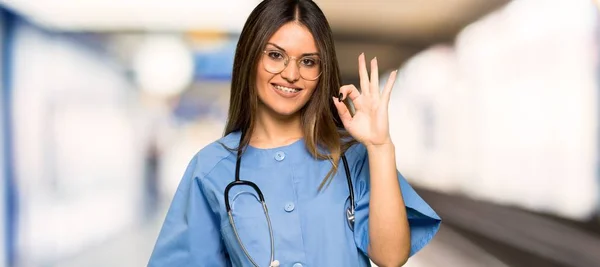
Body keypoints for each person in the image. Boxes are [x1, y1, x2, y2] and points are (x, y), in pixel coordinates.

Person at [147, 0, 440, 266]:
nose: (291, 74)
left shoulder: (353, 157)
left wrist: (380, 146)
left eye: (308, 61)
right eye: (275, 55)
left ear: (322, 73)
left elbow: (390, 257)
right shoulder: (210, 169)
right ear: (250, 57)